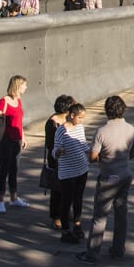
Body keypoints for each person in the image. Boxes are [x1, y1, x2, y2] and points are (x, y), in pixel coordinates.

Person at [76, 94, 134, 264]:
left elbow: (93, 156)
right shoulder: (131, 129)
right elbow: (133, 153)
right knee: (121, 214)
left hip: (108, 177)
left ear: (107, 111)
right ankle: (118, 250)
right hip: (125, 175)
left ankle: (92, 253)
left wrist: (102, 159)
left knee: (100, 216)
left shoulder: (101, 131)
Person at [0, 74, 29, 213]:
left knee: (14, 169)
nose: (26, 87)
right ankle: (0, 200)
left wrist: (23, 137)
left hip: (17, 139)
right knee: (4, 168)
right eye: (24, 85)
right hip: (5, 140)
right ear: (18, 85)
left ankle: (13, 198)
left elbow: (19, 122)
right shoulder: (4, 101)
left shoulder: (19, 101)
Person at [53, 103, 90, 244]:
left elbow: (83, 144)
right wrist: (58, 152)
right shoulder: (61, 131)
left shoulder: (80, 128)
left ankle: (77, 224)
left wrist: (94, 154)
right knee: (66, 201)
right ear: (72, 115)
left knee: (78, 198)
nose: (81, 120)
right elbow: (55, 149)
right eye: (79, 117)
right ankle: (65, 231)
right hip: (68, 172)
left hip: (81, 169)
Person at [44, 94, 75, 231]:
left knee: (68, 189)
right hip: (57, 160)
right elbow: (50, 145)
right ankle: (56, 216)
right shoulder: (53, 123)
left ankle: (66, 212)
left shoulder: (69, 122)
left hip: (69, 160)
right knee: (57, 189)